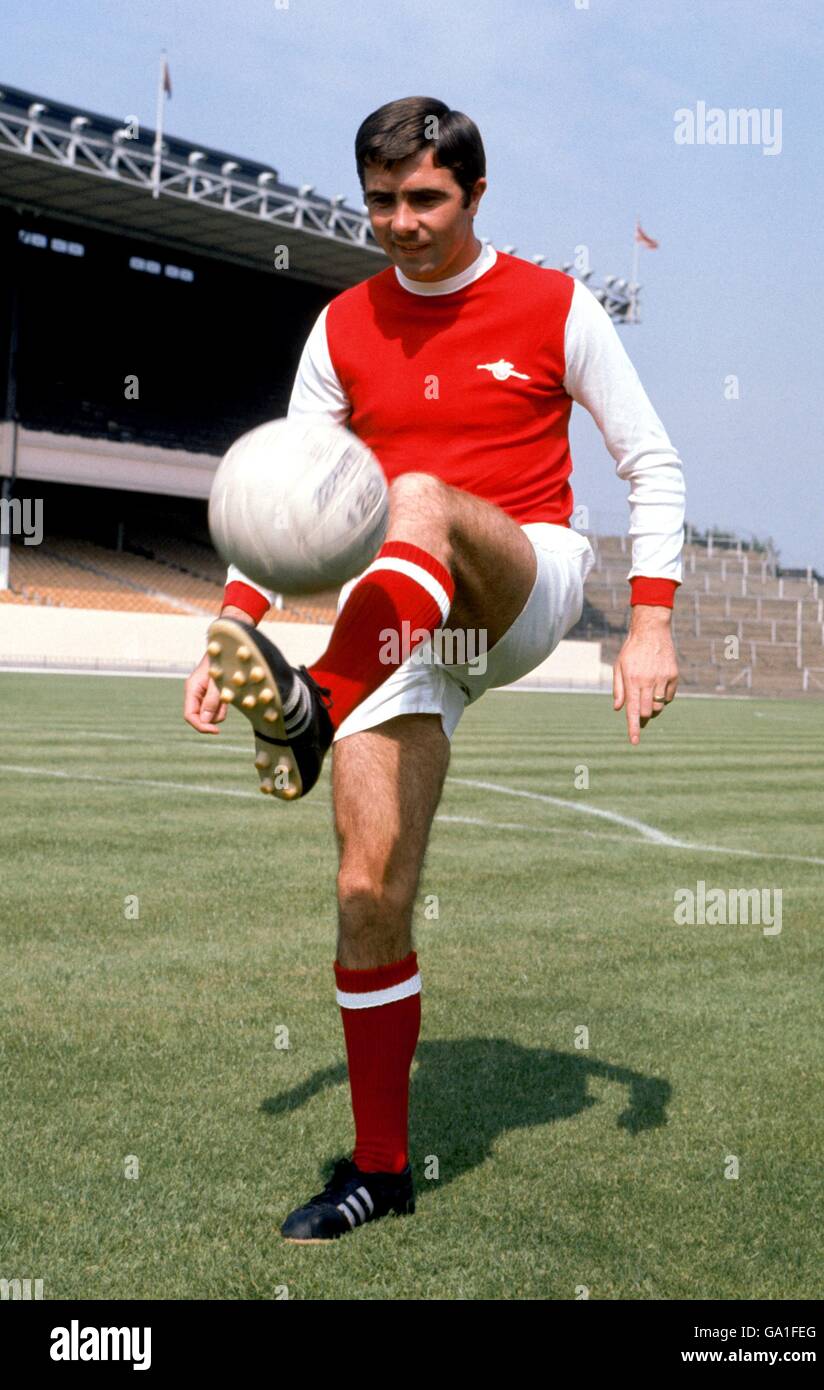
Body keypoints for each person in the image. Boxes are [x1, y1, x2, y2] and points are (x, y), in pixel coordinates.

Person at [184, 96, 685, 1243]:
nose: (400, 223)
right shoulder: (340, 325)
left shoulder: (553, 304)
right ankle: (377, 1168)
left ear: (473, 194)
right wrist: (230, 622)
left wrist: (646, 624)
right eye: (379, 202)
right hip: (397, 628)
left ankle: (311, 710)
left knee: (411, 495)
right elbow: (286, 504)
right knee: (367, 893)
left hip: (520, 580)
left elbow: (650, 461)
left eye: (424, 200)